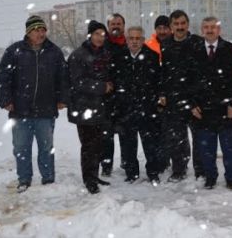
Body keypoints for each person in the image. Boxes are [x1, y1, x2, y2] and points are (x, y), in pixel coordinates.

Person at [0, 15, 69, 193]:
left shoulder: (54, 52)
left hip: (46, 109)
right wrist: (5, 100)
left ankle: (48, 178)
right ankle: (24, 179)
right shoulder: (14, 51)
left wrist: (62, 98)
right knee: (21, 147)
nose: (41, 33)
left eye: (43, 30)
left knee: (46, 147)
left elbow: (63, 78)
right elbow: (3, 79)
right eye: (37, 30)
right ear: (28, 32)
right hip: (20, 110)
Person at [191, 16, 232, 190]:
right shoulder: (195, 51)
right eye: (206, 27)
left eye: (213, 27)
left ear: (219, 29)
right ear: (201, 30)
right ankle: (210, 177)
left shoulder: (230, 49)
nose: (209, 30)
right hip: (203, 110)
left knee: (229, 149)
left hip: (226, 109)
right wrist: (192, 104)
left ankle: (231, 178)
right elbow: (188, 81)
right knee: (206, 149)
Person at [67, 20, 114, 194]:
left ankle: (94, 176)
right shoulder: (78, 55)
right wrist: (102, 87)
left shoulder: (104, 54)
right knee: (88, 146)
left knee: (97, 145)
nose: (100, 37)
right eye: (96, 34)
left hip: (99, 108)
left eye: (103, 34)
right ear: (90, 35)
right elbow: (78, 82)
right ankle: (89, 180)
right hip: (83, 108)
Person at [113, 26, 163, 185]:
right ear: (126, 39)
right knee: (128, 143)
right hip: (125, 108)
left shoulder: (152, 57)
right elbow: (114, 82)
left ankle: (153, 172)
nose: (134, 42)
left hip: (147, 108)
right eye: (131, 38)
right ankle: (131, 172)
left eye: (137, 38)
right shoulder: (118, 58)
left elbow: (158, 82)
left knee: (150, 144)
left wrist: (156, 101)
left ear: (143, 40)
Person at [158, 10, 202, 182]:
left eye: (183, 23)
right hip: (174, 99)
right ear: (171, 27)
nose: (180, 27)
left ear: (188, 24)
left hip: (194, 100)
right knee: (177, 139)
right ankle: (179, 170)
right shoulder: (166, 45)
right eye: (176, 24)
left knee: (199, 138)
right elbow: (165, 72)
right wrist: (162, 92)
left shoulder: (197, 43)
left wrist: (196, 100)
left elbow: (201, 74)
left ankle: (201, 170)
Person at [100, 13, 127, 176]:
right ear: (108, 27)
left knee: (126, 134)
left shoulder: (129, 43)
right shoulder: (103, 46)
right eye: (112, 24)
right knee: (106, 136)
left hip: (125, 98)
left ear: (123, 25)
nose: (116, 26)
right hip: (107, 98)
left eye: (119, 23)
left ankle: (126, 163)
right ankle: (106, 167)